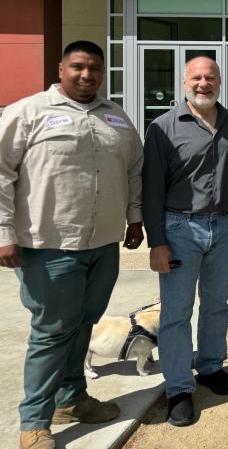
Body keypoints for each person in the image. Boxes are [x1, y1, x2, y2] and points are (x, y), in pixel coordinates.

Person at [0, 41, 143, 449]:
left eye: (95, 68)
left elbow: (135, 168)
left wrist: (134, 218)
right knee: (50, 332)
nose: (87, 75)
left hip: (103, 244)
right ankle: (34, 421)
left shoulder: (115, 117)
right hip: (49, 245)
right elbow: (1, 174)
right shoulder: (27, 113)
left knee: (83, 324)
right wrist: (3, 232)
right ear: (61, 68)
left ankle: (71, 398)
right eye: (78, 66)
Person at [142, 56, 228, 427]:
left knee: (216, 304)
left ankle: (209, 366)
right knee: (176, 313)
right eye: (197, 77)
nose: (203, 83)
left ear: (220, 81)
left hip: (225, 229)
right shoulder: (162, 127)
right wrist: (156, 242)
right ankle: (179, 387)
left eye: (210, 77)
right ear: (184, 82)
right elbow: (152, 189)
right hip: (179, 230)